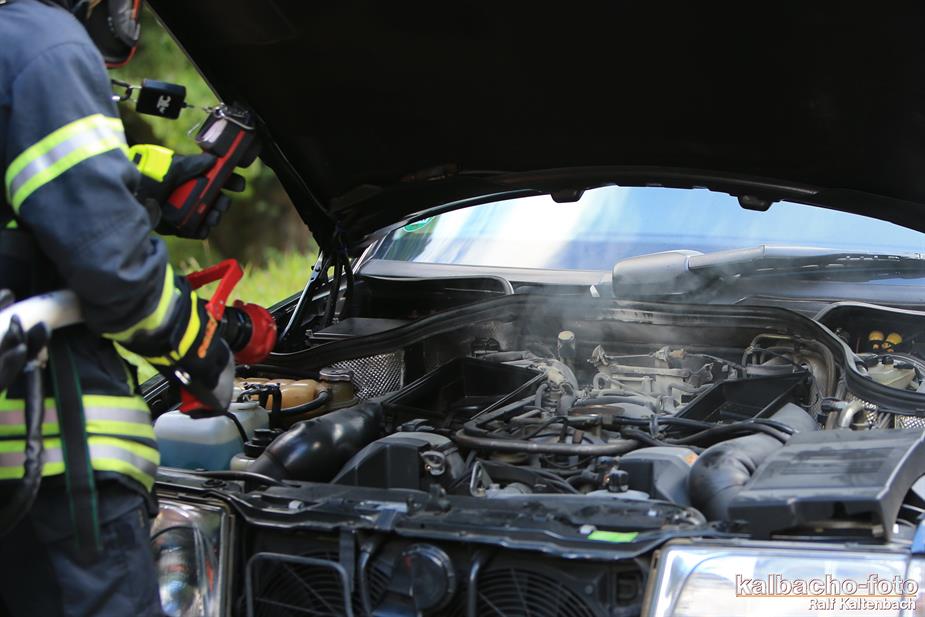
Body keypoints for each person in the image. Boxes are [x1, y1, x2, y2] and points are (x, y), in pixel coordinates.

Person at [0, 0, 240, 614]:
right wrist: (201, 349)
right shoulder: (44, 44)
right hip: (57, 473)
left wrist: (142, 183)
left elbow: (35, 190)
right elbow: (114, 265)